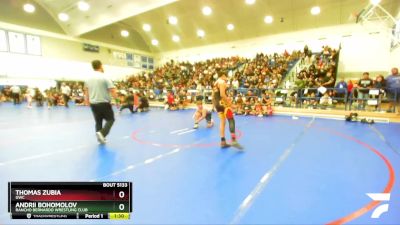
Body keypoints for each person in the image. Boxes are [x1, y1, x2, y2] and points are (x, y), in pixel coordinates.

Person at [84, 60, 117, 144]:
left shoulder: (88, 78)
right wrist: (117, 101)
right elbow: (112, 90)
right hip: (104, 103)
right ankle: (102, 134)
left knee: (98, 121)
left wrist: (87, 101)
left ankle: (100, 140)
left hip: (93, 104)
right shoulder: (104, 77)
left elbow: (86, 91)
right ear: (101, 66)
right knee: (110, 119)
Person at [212, 70, 243, 149]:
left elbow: (213, 95)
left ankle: (223, 141)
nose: (226, 79)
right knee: (231, 119)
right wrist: (231, 104)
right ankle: (234, 140)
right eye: (226, 76)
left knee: (223, 122)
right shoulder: (222, 82)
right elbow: (222, 94)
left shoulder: (215, 83)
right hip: (222, 103)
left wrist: (214, 106)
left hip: (217, 104)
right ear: (223, 75)